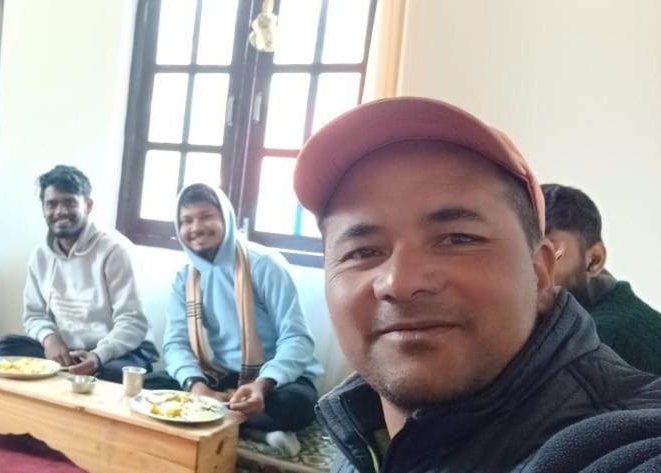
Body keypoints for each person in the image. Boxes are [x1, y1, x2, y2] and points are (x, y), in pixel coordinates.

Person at [293, 96, 661, 471]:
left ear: (540, 272)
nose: (400, 283)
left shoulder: (627, 446)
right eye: (362, 251)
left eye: (458, 239)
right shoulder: (364, 430)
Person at [156, 183, 323, 455]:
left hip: (273, 380)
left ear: (226, 218)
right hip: (220, 375)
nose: (196, 227)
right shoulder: (186, 277)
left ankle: (220, 415)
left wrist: (262, 384)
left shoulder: (263, 264)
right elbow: (175, 343)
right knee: (147, 387)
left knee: (296, 405)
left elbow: (297, 338)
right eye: (186, 220)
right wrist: (196, 386)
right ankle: (259, 431)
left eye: (206, 216)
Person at [0, 165, 158, 382]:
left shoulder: (115, 250)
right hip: (66, 349)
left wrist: (98, 356)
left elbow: (133, 322)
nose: (60, 211)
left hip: (117, 352)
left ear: (88, 205)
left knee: (112, 375)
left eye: (70, 202)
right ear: (43, 209)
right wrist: (50, 340)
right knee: (4, 348)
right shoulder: (40, 255)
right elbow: (34, 315)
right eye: (52, 204)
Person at [542, 183, 661, 375]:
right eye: (520, 252)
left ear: (594, 260)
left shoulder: (598, 339)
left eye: (550, 252)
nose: (530, 268)